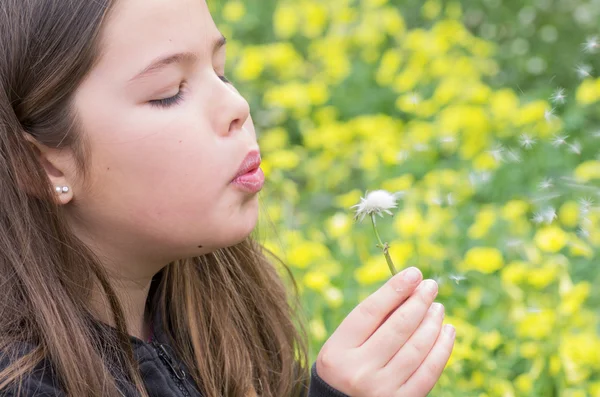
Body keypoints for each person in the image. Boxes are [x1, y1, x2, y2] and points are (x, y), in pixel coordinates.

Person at [0, 0, 455, 396]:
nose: (237, 106)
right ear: (42, 165)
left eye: (220, 72)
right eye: (169, 93)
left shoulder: (213, 309)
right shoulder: (22, 384)